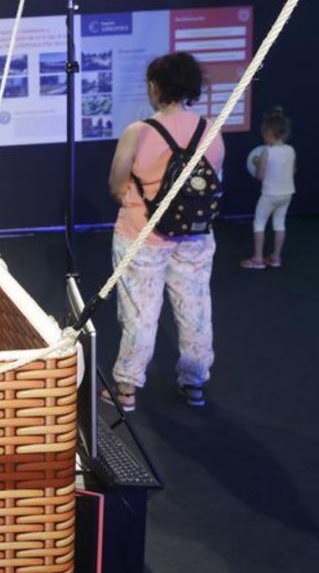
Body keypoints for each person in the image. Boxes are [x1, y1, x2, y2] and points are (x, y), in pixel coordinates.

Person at [105, 52, 225, 410]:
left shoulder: (139, 132)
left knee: (140, 311)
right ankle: (195, 383)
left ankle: (126, 389)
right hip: (195, 236)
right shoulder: (211, 131)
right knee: (196, 309)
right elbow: (215, 183)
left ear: (155, 87)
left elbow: (116, 184)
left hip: (141, 234)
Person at [241, 107, 296, 269]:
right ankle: (276, 258)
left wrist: (257, 162)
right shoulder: (290, 150)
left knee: (259, 224)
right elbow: (293, 170)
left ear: (270, 133)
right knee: (280, 224)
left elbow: (260, 175)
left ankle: (257, 259)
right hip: (287, 194)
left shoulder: (267, 151)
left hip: (269, 195)